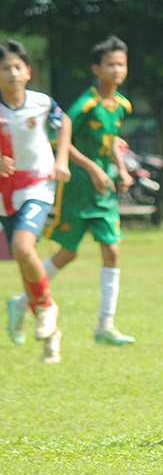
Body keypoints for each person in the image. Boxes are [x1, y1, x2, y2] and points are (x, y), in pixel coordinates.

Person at [9, 36, 136, 347]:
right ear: (97, 69)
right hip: (77, 187)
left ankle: (105, 325)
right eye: (110, 64)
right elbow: (60, 141)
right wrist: (91, 168)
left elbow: (112, 139)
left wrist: (121, 168)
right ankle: (23, 302)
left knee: (112, 249)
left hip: (102, 189)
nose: (117, 70)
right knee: (67, 253)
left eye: (121, 64)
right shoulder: (85, 104)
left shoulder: (122, 105)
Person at [0, 39, 72, 362]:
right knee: (24, 261)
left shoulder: (41, 103)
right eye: (5, 68)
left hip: (37, 187)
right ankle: (44, 328)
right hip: (4, 195)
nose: (12, 73)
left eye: (17, 67)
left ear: (28, 72)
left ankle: (44, 308)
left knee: (22, 248)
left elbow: (64, 122)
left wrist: (61, 160)